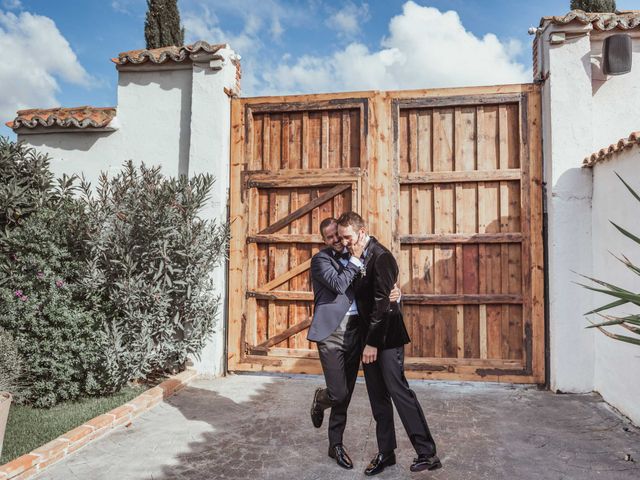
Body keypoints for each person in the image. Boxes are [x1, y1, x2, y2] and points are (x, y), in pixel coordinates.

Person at [336, 211, 442, 475]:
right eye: (341, 238)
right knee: (377, 396)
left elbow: (382, 306)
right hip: (367, 338)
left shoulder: (382, 256)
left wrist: (371, 343)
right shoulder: (355, 256)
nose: (345, 242)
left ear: (361, 232)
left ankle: (427, 453)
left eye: (347, 237)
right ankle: (386, 453)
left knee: (399, 391)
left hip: (386, 337)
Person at [307, 217, 400, 470]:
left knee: (346, 393)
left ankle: (334, 444)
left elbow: (376, 285)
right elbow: (338, 284)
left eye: (338, 235)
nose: (336, 240)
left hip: (357, 331)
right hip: (331, 334)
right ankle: (321, 398)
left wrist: (395, 291)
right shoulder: (321, 260)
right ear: (324, 240)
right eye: (330, 237)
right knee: (337, 393)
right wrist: (356, 258)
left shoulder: (357, 255)